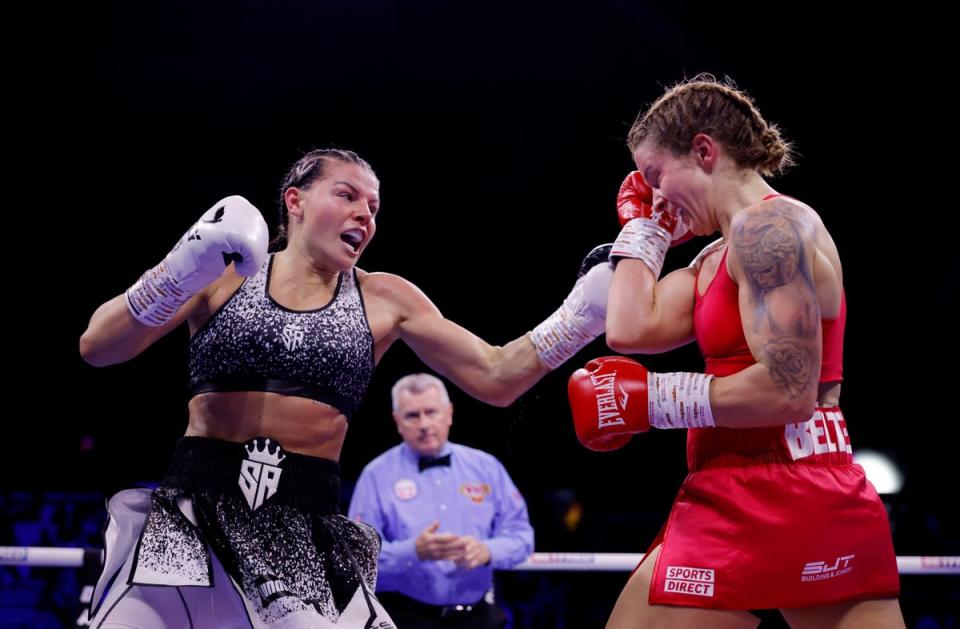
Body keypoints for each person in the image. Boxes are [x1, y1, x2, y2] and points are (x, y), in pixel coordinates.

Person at [78, 148, 611, 628]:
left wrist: (582, 315)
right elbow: (98, 346)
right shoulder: (224, 272)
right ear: (296, 201)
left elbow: (496, 377)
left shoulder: (385, 298)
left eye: (374, 207)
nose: (366, 214)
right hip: (192, 508)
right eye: (347, 194)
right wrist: (181, 266)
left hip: (302, 525)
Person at [567, 75, 904, 628]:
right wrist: (643, 229)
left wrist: (654, 400)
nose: (655, 195)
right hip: (731, 480)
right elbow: (628, 329)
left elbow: (789, 391)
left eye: (657, 177)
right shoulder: (712, 258)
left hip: (794, 478)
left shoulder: (770, 229)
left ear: (703, 150)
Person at [348, 373, 533, 628]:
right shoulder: (375, 476)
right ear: (397, 421)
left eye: (431, 412)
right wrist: (413, 551)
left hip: (478, 616)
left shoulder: (486, 468)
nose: (424, 423)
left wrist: (487, 551)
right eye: (413, 415)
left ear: (449, 413)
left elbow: (522, 536)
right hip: (405, 617)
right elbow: (356, 559)